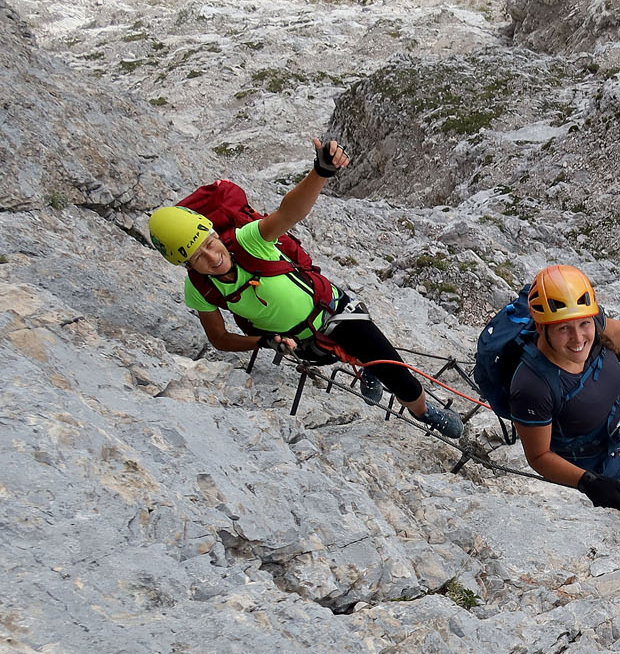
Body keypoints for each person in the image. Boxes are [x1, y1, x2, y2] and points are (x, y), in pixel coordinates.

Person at [146, 138, 465, 440]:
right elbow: (218, 338)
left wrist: (321, 171)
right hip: (300, 345)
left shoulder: (249, 241)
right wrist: (265, 343)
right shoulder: (199, 289)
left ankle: (424, 413)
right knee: (343, 357)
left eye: (210, 243)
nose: (213, 257)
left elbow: (289, 213)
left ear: (216, 233)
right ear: (186, 266)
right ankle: (363, 366)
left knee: (398, 378)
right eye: (198, 256)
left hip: (334, 312)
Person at [507, 264, 620, 512]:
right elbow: (538, 456)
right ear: (542, 327)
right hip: (587, 447)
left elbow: (616, 331)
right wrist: (588, 482)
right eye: (563, 328)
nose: (578, 338)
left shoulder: (589, 320)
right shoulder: (532, 386)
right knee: (615, 496)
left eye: (584, 324)